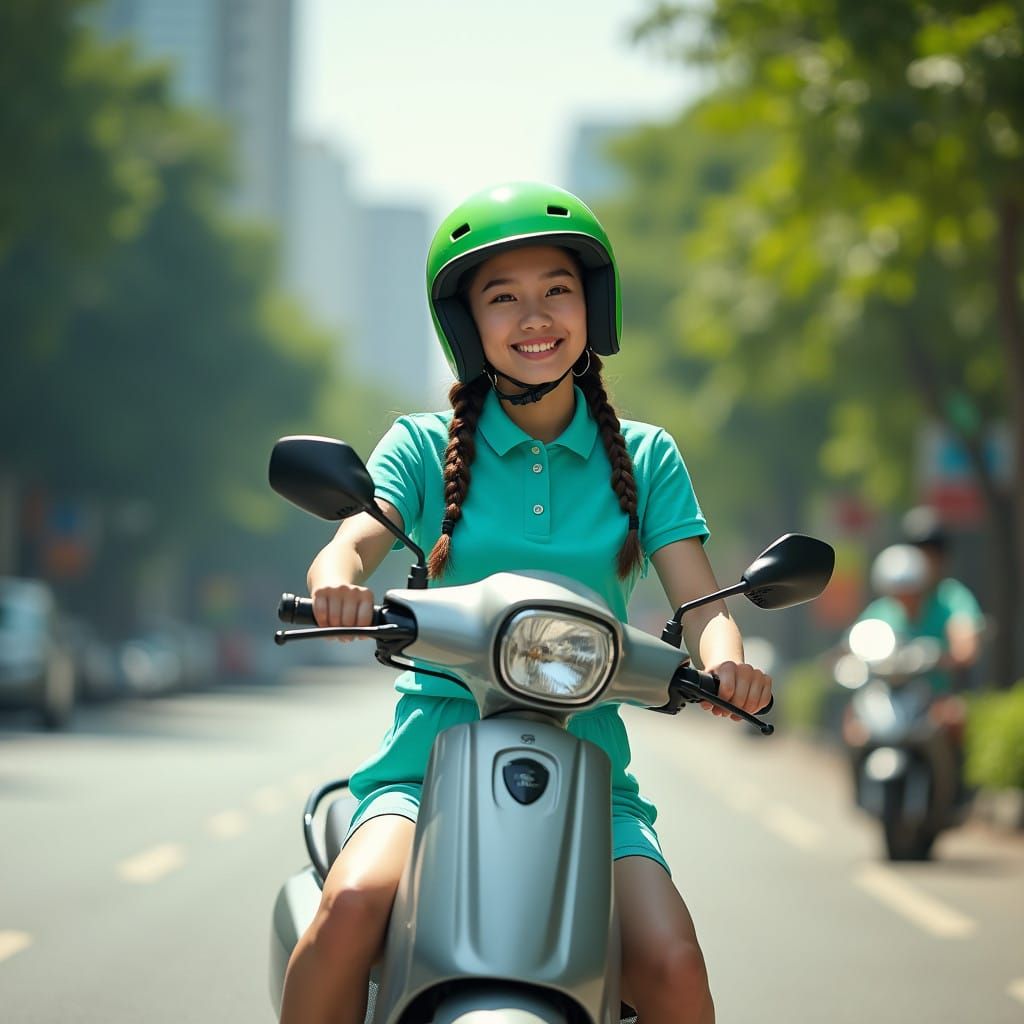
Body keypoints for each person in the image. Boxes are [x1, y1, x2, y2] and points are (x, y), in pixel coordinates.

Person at [279, 182, 772, 1024]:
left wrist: (727, 660)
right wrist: (337, 570)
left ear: (592, 307)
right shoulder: (421, 445)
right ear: (468, 325)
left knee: (673, 961)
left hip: (591, 765)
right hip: (429, 757)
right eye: (502, 298)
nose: (534, 316)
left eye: (557, 290)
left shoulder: (646, 456)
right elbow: (361, 535)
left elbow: (702, 599)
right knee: (351, 911)